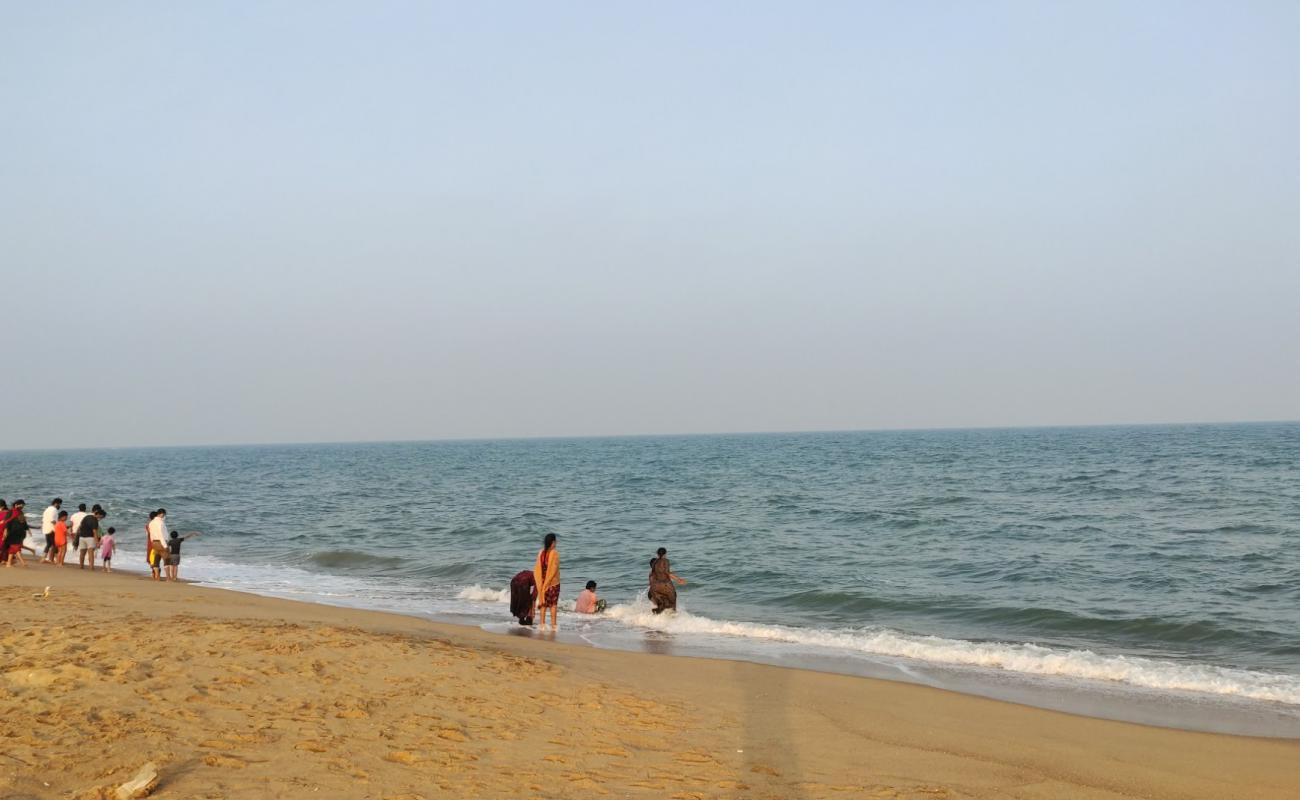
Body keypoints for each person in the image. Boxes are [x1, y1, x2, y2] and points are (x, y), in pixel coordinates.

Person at [532, 533, 560, 629]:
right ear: (552, 542)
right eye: (555, 541)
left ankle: (542, 625)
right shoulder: (554, 553)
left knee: (543, 603)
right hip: (552, 583)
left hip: (542, 582)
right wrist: (549, 582)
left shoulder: (541, 553)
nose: (556, 543)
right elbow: (554, 569)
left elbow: (537, 568)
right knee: (553, 604)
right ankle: (553, 626)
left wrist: (542, 583)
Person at [647, 547, 687, 614]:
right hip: (664, 590)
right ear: (665, 554)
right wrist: (678, 579)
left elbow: (651, 585)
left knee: (662, 607)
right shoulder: (665, 562)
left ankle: (655, 618)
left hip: (652, 594)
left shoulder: (651, 574)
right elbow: (667, 573)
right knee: (672, 603)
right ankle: (673, 615)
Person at [4, 500, 35, 567]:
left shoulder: (21, 512)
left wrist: (28, 530)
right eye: (21, 505)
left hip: (19, 534)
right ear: (16, 505)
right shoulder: (11, 511)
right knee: (15, 547)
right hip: (12, 533)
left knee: (13, 548)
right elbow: (7, 521)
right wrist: (5, 531)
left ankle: (9, 563)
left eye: (23, 505)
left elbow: (24, 523)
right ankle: (23, 562)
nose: (22, 506)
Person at [146, 509, 168, 580]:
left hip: (152, 543)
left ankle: (156, 576)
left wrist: (152, 542)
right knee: (166, 559)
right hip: (159, 542)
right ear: (161, 514)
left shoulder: (150, 524)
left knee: (155, 560)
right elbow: (161, 534)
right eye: (164, 515)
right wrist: (165, 545)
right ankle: (168, 577)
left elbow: (149, 534)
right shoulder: (160, 522)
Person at [41, 498, 62, 563]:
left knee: (50, 544)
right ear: (56, 503)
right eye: (59, 504)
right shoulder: (54, 510)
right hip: (51, 529)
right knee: (54, 544)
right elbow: (52, 520)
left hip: (46, 528)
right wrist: (59, 527)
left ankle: (45, 558)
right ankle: (55, 560)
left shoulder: (47, 509)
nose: (60, 506)